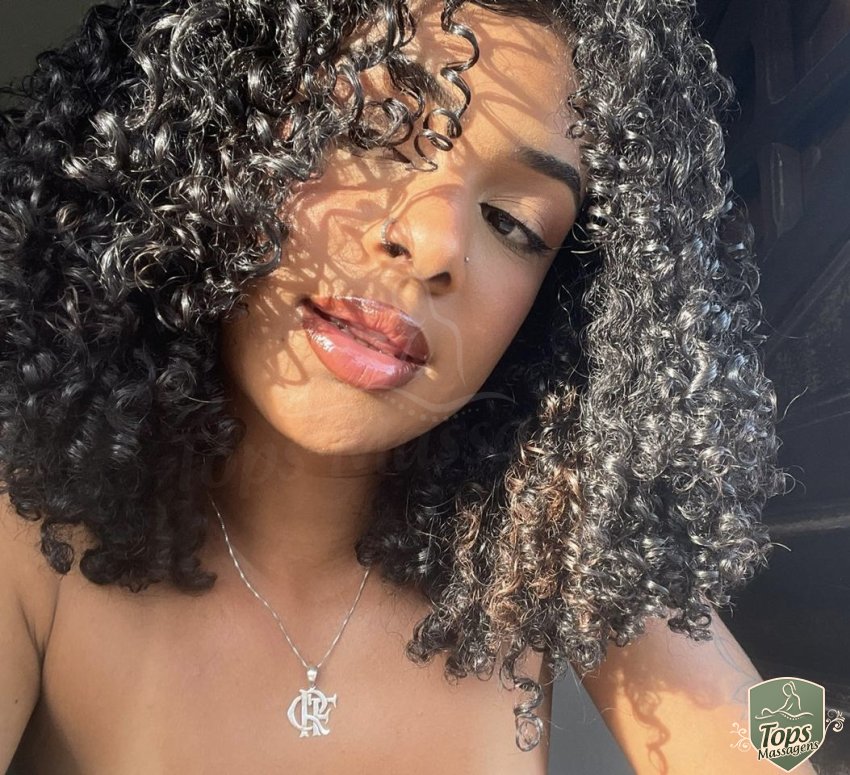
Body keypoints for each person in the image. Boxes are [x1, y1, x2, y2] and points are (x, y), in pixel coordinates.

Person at [0, 0, 815, 772]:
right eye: (371, 128)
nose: (433, 241)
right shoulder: (34, 531)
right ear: (218, 130)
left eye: (514, 222)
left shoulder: (546, 541)